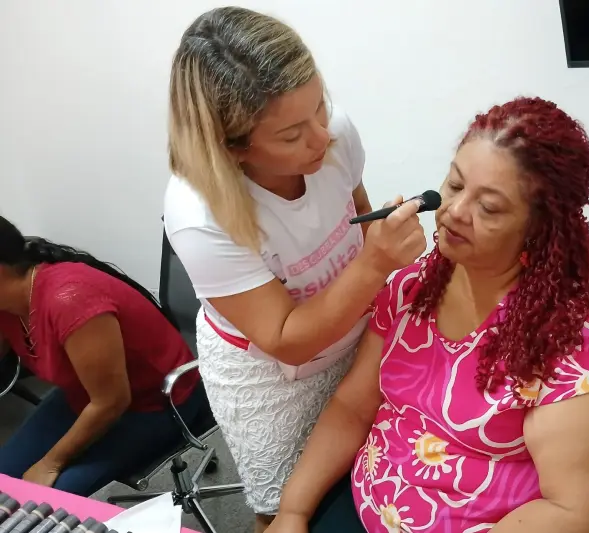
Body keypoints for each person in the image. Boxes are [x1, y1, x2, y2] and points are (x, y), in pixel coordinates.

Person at [268, 97, 589, 533]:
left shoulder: (577, 356)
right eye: (454, 184)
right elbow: (353, 407)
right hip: (365, 503)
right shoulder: (413, 288)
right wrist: (292, 511)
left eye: (489, 208)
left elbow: (574, 511)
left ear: (539, 228)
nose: (454, 211)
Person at [163, 7, 426, 531]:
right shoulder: (199, 215)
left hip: (356, 321)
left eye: (320, 107)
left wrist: (381, 271)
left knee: (374, 457)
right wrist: (377, 263)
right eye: (290, 135)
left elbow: (359, 215)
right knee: (284, 505)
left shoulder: (333, 132)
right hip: (272, 371)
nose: (322, 137)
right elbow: (287, 340)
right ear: (231, 148)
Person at [0, 216, 204, 497]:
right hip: (83, 394)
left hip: (153, 404)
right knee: (4, 480)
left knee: (45, 501)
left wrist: (50, 463)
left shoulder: (69, 299)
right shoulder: (8, 303)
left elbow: (111, 401)